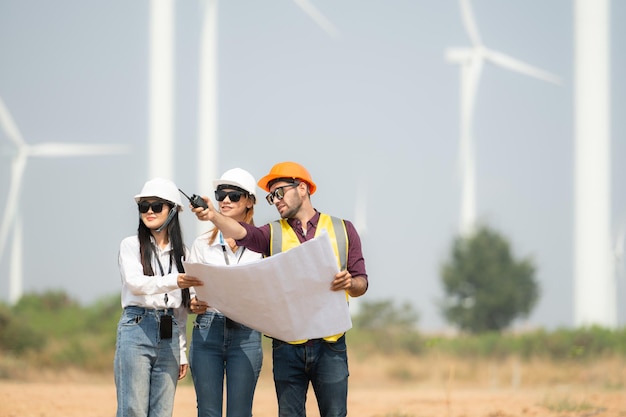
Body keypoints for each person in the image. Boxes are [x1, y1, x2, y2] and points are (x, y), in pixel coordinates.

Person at [192, 161, 368, 417]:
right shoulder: (271, 233)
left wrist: (350, 283)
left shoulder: (344, 229)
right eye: (271, 196)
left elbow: (361, 282)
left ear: (303, 188)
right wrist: (213, 216)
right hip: (288, 346)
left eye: (279, 192)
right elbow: (242, 232)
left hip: (331, 345)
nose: (275, 201)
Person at [115, 177, 203, 417]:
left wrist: (182, 350)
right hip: (137, 327)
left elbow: (182, 308)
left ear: (173, 211)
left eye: (156, 206)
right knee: (133, 409)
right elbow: (135, 284)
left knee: (163, 412)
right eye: (144, 207)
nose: (149, 212)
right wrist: (175, 280)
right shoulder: (131, 245)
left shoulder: (183, 253)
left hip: (170, 333)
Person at [187, 168, 264, 417]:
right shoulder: (201, 245)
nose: (225, 200)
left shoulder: (264, 244)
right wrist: (193, 303)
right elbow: (190, 292)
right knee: (207, 412)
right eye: (221, 194)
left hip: (246, 331)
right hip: (208, 328)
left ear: (250, 200)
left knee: (240, 413)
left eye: (234, 195)